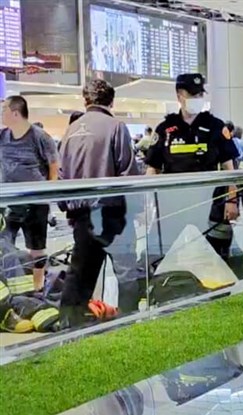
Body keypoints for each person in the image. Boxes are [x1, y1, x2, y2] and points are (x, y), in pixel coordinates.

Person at [58, 79, 142, 327]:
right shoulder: (116, 126)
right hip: (114, 214)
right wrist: (135, 209)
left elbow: (61, 176)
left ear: (86, 101)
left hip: (81, 215)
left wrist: (69, 209)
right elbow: (128, 172)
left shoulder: (71, 131)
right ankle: (128, 323)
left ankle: (68, 327)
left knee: (80, 274)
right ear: (111, 101)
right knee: (126, 273)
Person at [145, 73, 239, 260]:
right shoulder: (165, 129)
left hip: (210, 203)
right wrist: (148, 204)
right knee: (171, 256)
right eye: (192, 95)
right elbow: (152, 168)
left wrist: (232, 200)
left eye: (200, 95)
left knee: (215, 255)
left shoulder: (215, 126)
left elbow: (229, 167)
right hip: (174, 205)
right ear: (180, 95)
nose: (197, 99)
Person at [0, 95, 59, 293]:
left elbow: (53, 166)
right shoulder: (2, 136)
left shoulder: (40, 137)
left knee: (36, 248)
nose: (1, 114)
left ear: (15, 113)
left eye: (3, 110)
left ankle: (37, 288)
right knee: (4, 244)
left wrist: (47, 194)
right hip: (9, 202)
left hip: (35, 202)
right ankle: (8, 288)